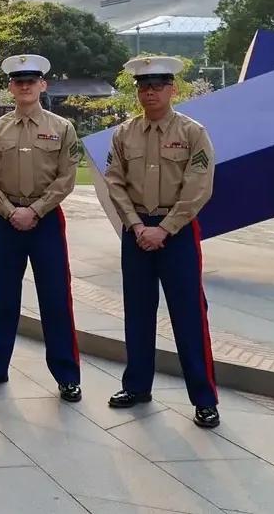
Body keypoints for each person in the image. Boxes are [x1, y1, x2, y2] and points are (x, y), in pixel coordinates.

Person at [105, 56, 220, 428]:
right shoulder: (124, 134)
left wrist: (165, 229)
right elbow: (114, 182)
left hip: (177, 232)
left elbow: (199, 186)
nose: (149, 92)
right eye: (143, 86)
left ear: (172, 89)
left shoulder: (192, 132)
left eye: (157, 85)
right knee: (137, 313)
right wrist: (137, 226)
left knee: (188, 316)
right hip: (137, 230)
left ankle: (204, 399)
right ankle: (137, 386)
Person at [0, 54, 83, 401]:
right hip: (6, 222)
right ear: (10, 87)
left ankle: (66, 375)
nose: (24, 87)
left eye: (31, 81)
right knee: (3, 298)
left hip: (46, 220)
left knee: (55, 299)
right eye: (18, 82)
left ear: (42, 85)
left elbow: (66, 178)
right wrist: (9, 211)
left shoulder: (62, 128)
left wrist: (34, 210)